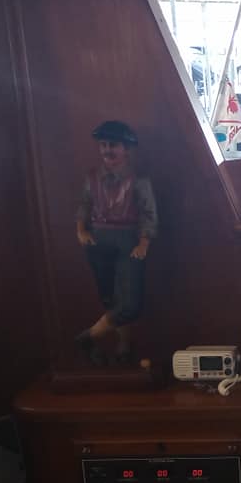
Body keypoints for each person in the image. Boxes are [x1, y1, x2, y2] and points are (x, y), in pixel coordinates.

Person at [74, 121, 158, 364]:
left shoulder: (139, 179)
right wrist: (81, 231)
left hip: (128, 240)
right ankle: (123, 346)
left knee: (130, 303)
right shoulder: (92, 177)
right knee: (110, 298)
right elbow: (84, 205)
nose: (107, 151)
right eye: (103, 145)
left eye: (113, 145)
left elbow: (148, 214)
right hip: (99, 240)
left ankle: (87, 338)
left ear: (126, 149)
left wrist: (143, 243)